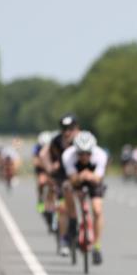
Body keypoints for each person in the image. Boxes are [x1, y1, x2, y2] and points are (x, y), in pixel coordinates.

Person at [62, 131, 108, 265]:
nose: (84, 156)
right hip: (76, 179)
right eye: (81, 153)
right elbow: (72, 179)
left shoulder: (100, 155)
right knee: (67, 190)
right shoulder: (68, 156)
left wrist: (89, 175)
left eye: (87, 153)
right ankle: (73, 220)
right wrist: (81, 176)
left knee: (97, 210)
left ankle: (97, 247)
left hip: (94, 181)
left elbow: (98, 178)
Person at [40, 114, 81, 256]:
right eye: (64, 129)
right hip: (62, 176)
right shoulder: (56, 141)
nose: (67, 132)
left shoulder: (82, 139)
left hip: (78, 176)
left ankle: (84, 233)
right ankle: (64, 240)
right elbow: (43, 154)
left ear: (76, 128)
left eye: (70, 129)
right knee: (63, 208)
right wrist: (50, 168)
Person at [33, 130, 55, 215]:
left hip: (50, 169)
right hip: (41, 169)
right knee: (41, 182)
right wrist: (45, 165)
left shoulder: (53, 147)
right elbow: (35, 161)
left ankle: (50, 202)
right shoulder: (36, 148)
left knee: (53, 185)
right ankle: (40, 200)